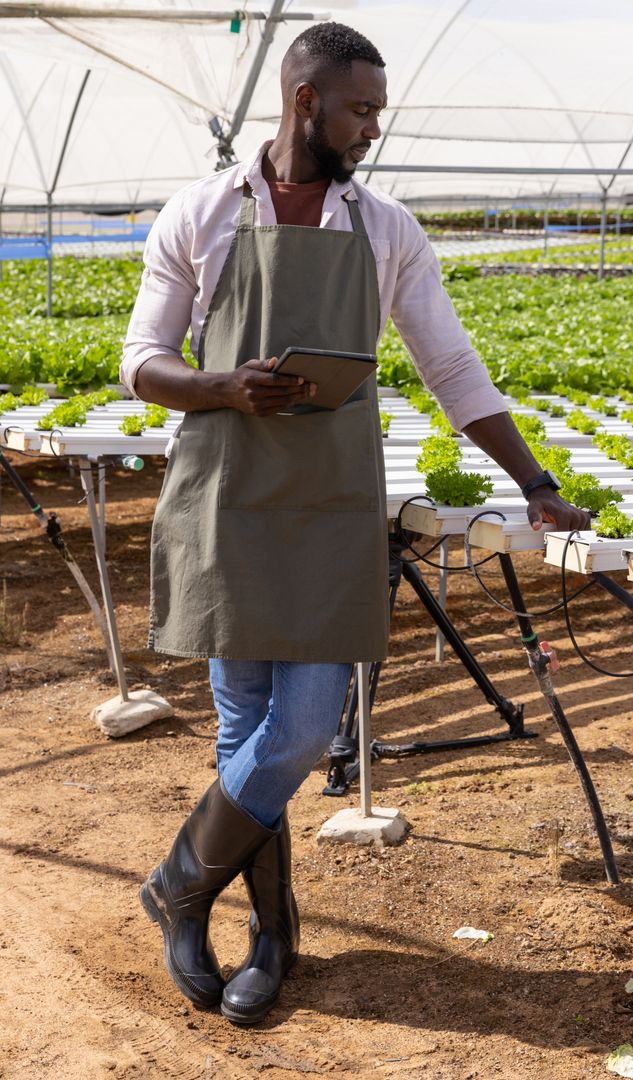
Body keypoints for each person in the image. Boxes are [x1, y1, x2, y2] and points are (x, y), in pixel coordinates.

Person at [121, 22, 590, 1026]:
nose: (374, 127)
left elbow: (452, 370)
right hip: (226, 496)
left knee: (297, 730)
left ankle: (178, 885)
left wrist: (537, 479)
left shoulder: (384, 229)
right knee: (248, 732)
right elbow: (141, 360)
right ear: (305, 103)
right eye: (361, 108)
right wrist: (222, 385)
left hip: (330, 505)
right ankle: (274, 932)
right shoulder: (200, 213)